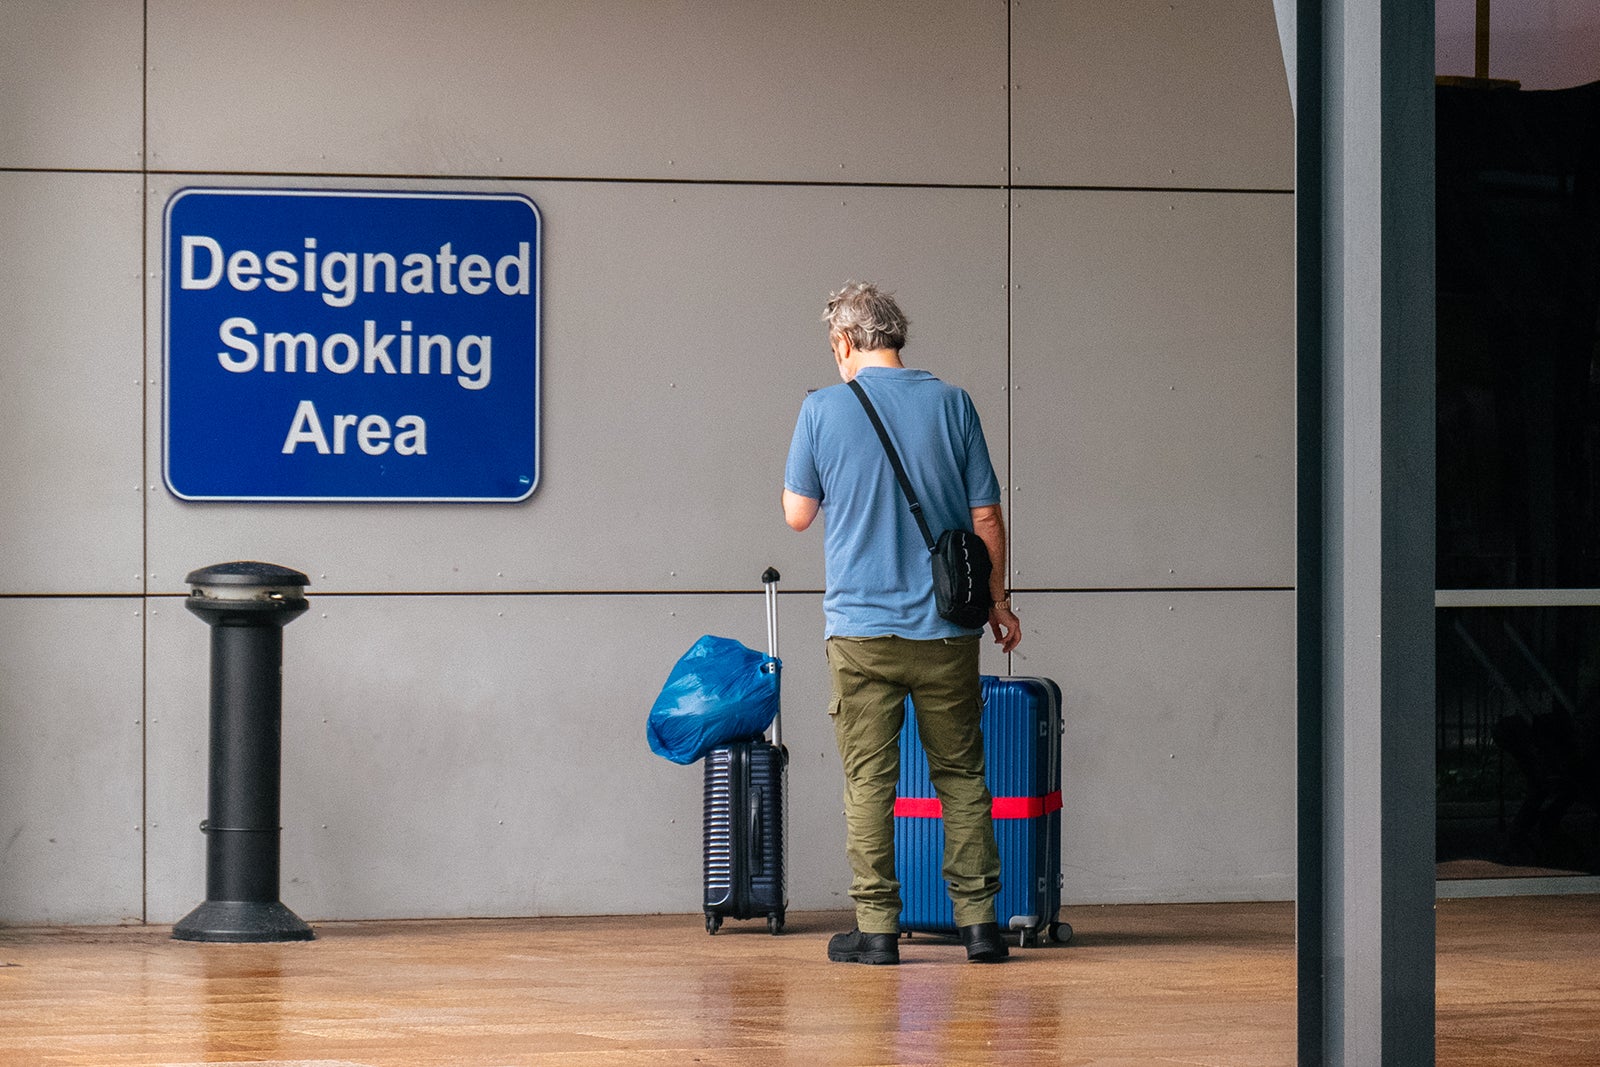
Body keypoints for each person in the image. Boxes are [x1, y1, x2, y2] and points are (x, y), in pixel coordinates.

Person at [782, 281, 1021, 965]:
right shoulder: (953, 404)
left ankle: (878, 928)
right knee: (962, 776)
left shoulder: (822, 410)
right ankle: (980, 925)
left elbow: (798, 514)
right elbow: (986, 518)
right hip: (947, 630)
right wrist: (998, 601)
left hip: (860, 633)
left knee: (869, 781)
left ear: (843, 342)